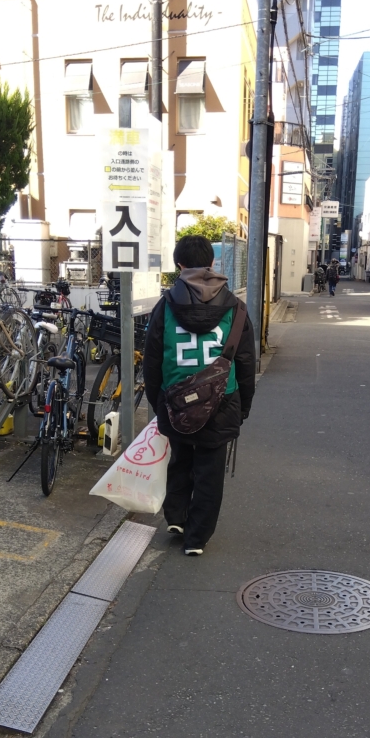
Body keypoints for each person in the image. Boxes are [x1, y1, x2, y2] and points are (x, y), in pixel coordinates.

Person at [144, 235, 256, 555]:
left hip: (176, 399)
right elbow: (246, 362)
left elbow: (152, 361)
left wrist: (159, 402)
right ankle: (196, 539)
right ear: (212, 263)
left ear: (179, 265)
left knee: (180, 458)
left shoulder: (165, 306)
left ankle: (176, 517)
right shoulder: (235, 307)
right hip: (222, 400)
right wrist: (242, 407)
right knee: (210, 471)